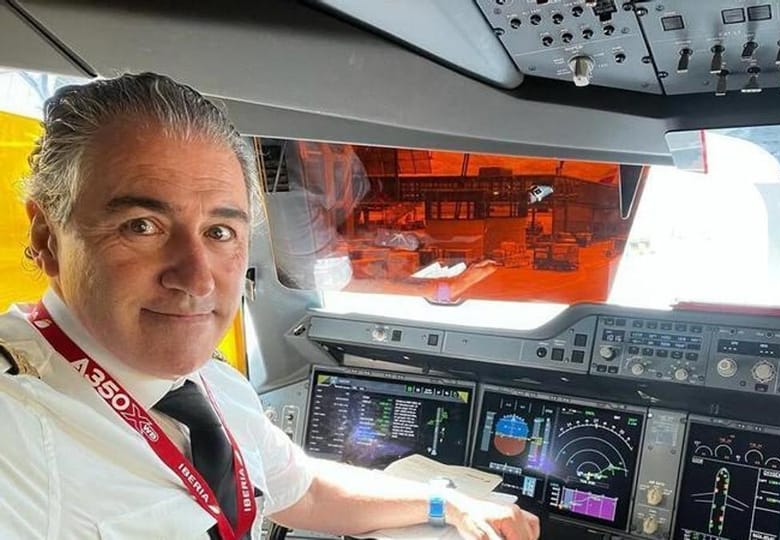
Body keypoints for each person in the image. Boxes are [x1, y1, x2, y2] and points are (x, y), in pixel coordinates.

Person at [0, 72, 540, 540]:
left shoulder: (214, 386)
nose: (196, 279)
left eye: (219, 231)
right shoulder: (16, 427)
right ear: (48, 238)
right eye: (142, 227)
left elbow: (303, 490)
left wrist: (445, 503)